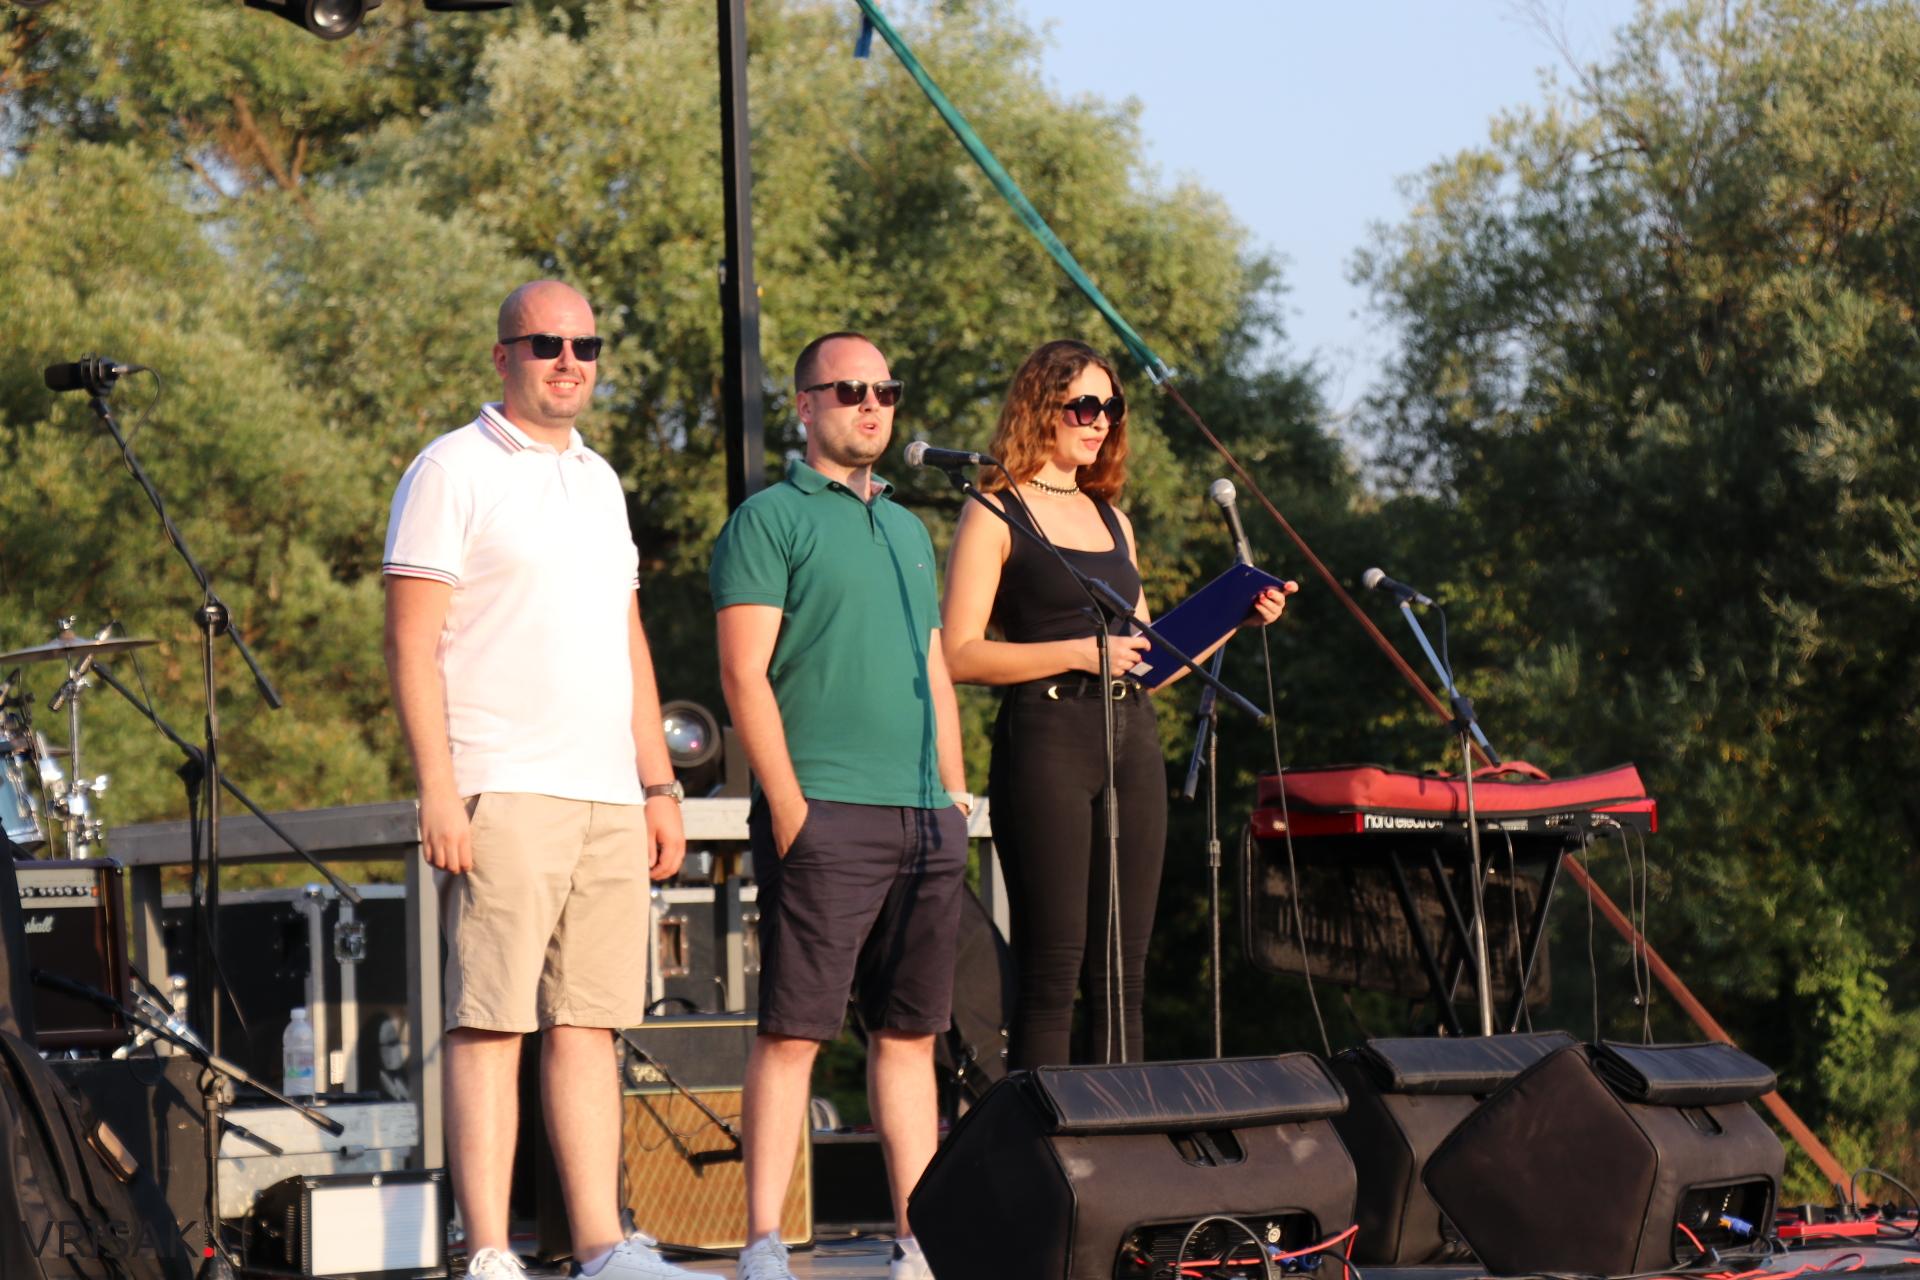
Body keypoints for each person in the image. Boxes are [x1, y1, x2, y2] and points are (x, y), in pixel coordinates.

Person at [383, 281, 698, 1280]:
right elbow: (410, 639)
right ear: (504, 355)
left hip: (608, 790)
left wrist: (659, 782)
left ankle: (603, 1244)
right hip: (500, 785)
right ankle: (487, 1250)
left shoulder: (602, 479)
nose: (569, 359)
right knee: (491, 1020)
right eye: (546, 342)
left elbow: (627, 636)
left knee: (590, 1023)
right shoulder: (450, 468)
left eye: (586, 344)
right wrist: (439, 787)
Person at [940, 338, 1291, 1069]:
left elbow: (1149, 663)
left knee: (1123, 976)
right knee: (1053, 971)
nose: (1101, 421)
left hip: (1130, 735)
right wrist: (1076, 654)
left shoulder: (1113, 521)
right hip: (1047, 737)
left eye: (1112, 407)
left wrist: (1234, 617)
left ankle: (1123, 1153)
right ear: (1043, 408)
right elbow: (958, 653)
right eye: (1085, 406)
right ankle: (1046, 1159)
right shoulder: (994, 509)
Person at [711, 332, 969, 1280]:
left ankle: (918, 1241)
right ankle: (765, 1246)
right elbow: (743, 675)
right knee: (793, 1034)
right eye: (850, 389)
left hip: (924, 818)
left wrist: (953, 795)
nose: (872, 404)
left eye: (886, 390)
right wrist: (789, 808)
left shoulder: (908, 527)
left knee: (910, 1038)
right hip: (824, 810)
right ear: (806, 405)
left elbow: (935, 672)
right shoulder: (767, 519)